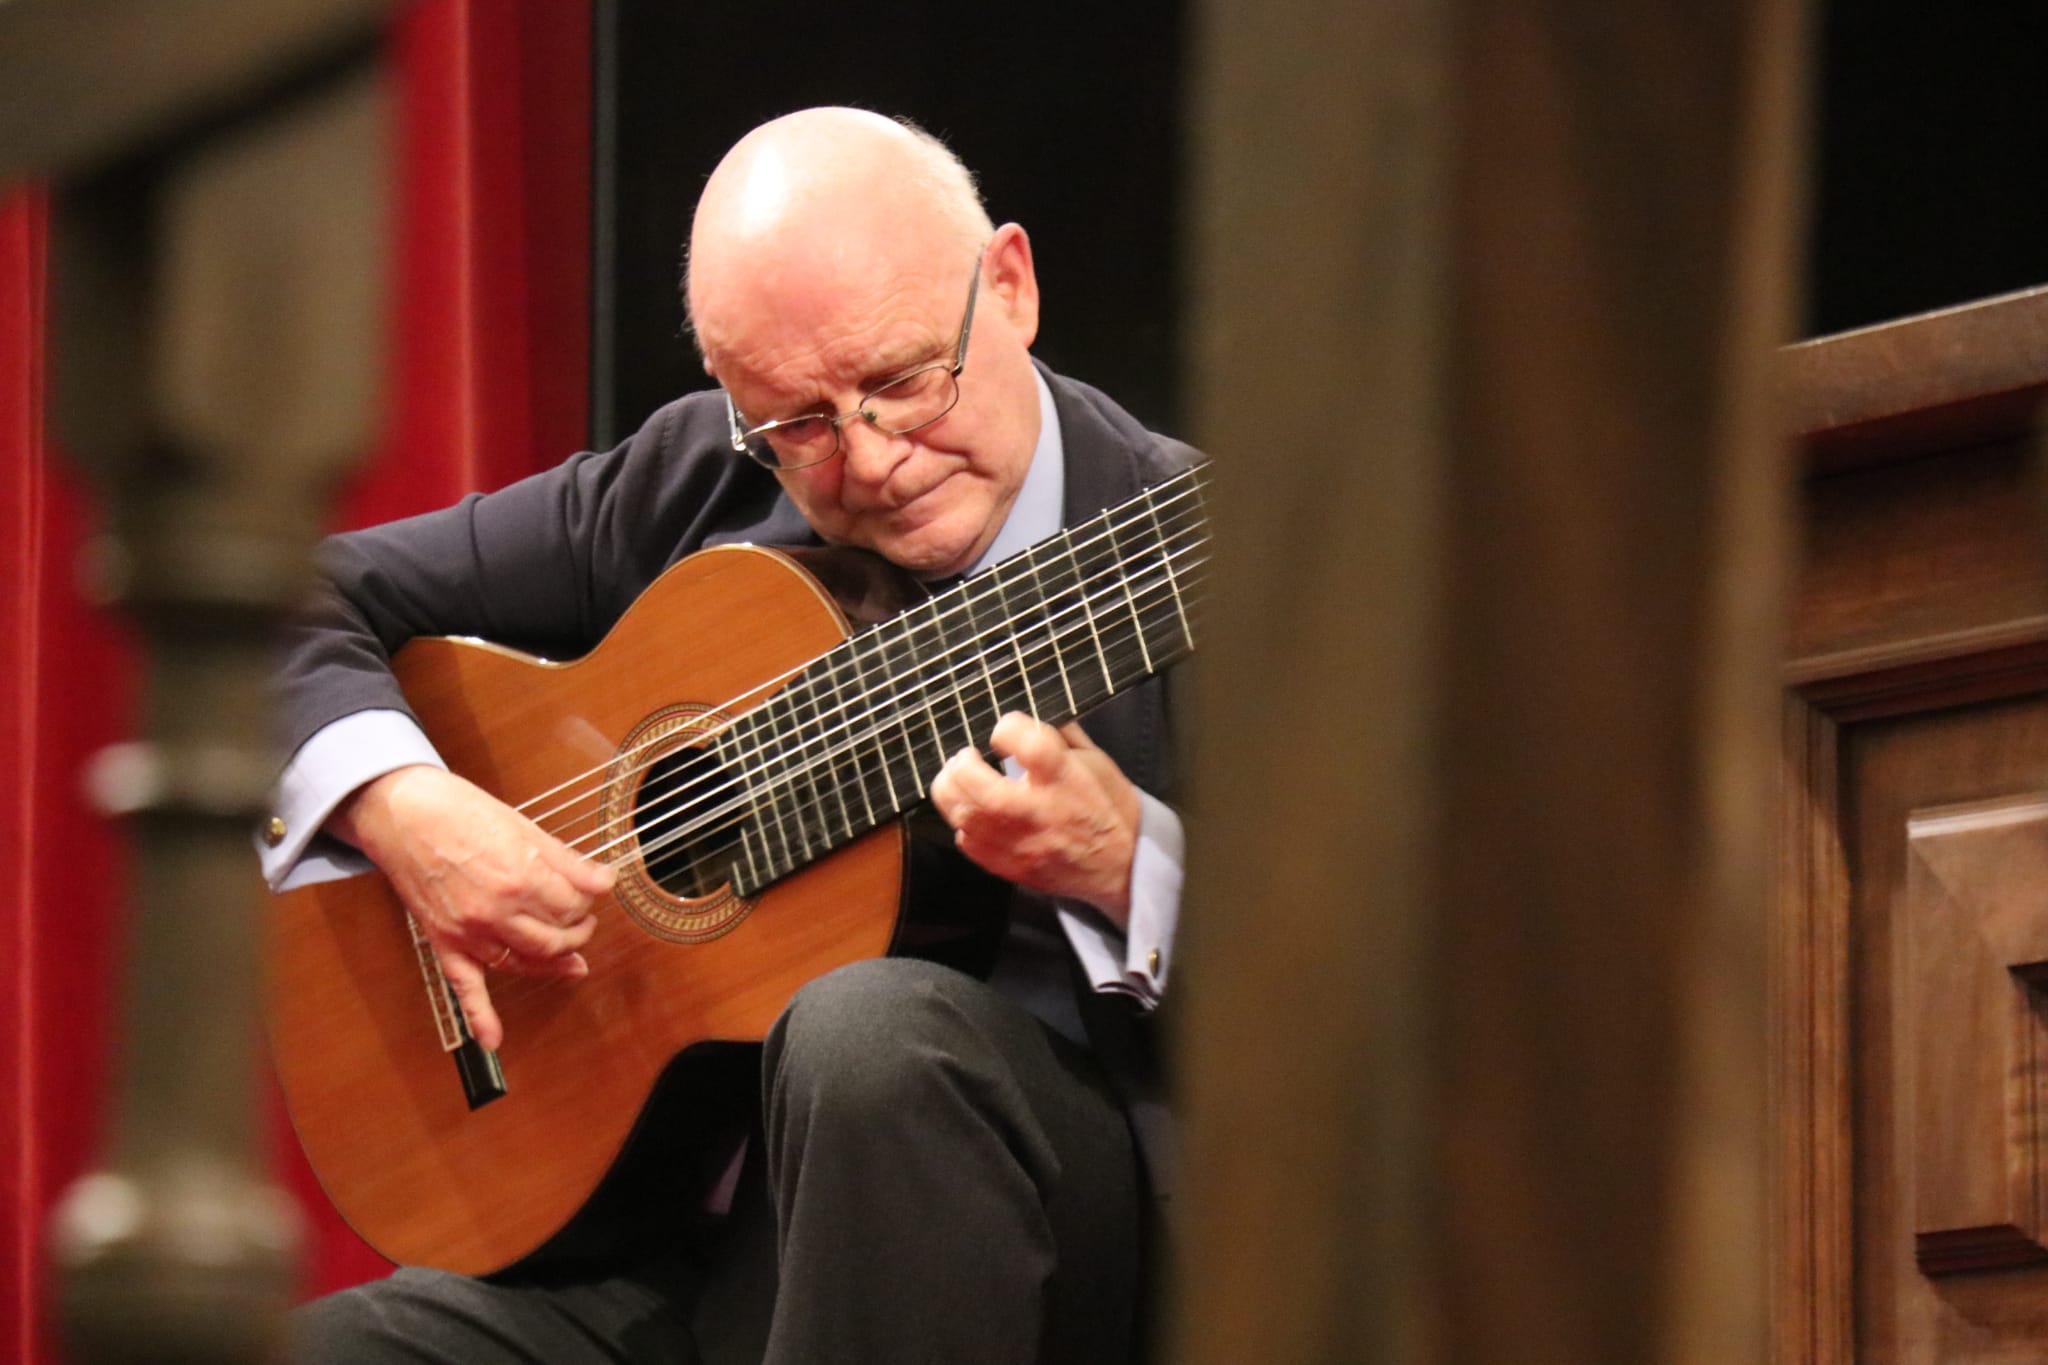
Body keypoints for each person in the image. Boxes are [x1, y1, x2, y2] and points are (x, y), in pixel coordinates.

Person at [270, 107, 1198, 1364]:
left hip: (1052, 1260)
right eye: (799, 424)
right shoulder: (705, 475)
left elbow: (1401, 1000)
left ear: (1010, 286)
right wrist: (404, 808)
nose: (869, 459)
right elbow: (288, 597)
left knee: (871, 1041)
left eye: (902, 382)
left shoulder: (1206, 550)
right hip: (695, 1249)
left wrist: (1124, 864)